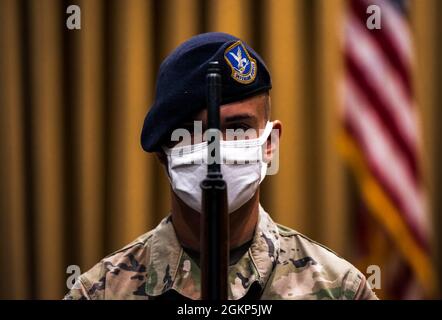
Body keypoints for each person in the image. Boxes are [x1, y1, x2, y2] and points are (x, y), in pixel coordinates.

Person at [64, 32, 377, 300]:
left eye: (238, 127)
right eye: (193, 132)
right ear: (164, 152)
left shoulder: (340, 289)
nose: (216, 148)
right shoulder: (100, 292)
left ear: (270, 143)